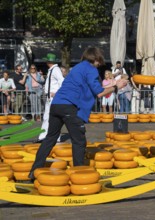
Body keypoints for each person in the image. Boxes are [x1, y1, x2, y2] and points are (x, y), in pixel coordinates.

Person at [29, 47, 127, 179]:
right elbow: (99, 93)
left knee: (50, 139)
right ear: (96, 58)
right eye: (99, 60)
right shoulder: (92, 69)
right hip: (69, 106)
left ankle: (33, 171)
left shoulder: (77, 68)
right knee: (79, 141)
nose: (100, 63)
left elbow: (94, 88)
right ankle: (79, 176)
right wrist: (116, 87)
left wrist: (113, 84)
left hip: (56, 104)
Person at [35, 53, 64, 143]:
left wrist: (57, 93)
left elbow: (62, 82)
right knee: (47, 117)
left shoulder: (56, 70)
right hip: (49, 98)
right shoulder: (52, 70)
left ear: (48, 61)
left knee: (54, 118)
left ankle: (56, 137)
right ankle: (44, 135)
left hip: (53, 98)